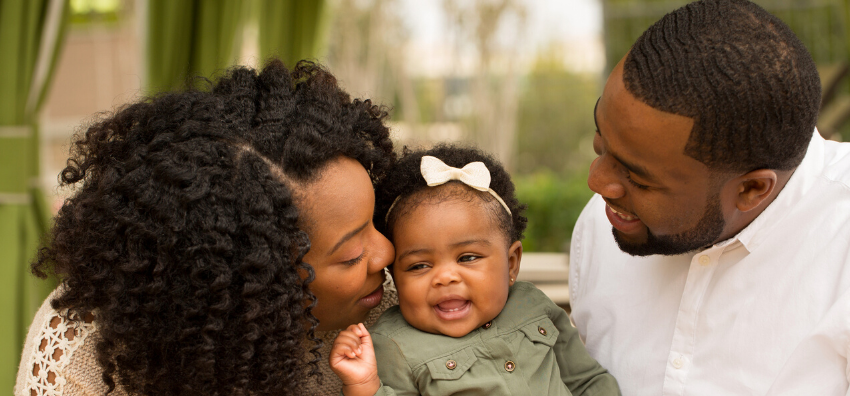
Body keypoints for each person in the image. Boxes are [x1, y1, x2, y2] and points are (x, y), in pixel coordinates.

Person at [15, 60, 398, 396]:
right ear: (253, 283)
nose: (388, 253)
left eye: (373, 219)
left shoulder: (409, 299)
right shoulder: (80, 357)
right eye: (352, 256)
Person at [569, 0, 850, 394]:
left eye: (638, 178)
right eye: (602, 142)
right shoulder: (604, 223)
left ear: (752, 189)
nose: (598, 182)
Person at [329, 145, 620, 395]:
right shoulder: (392, 345)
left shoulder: (532, 305)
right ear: (395, 275)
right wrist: (365, 385)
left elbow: (586, 381)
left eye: (467, 258)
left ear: (511, 263)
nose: (445, 277)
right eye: (419, 265)